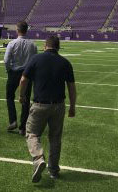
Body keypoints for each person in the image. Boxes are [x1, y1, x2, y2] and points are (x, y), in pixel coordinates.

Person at [19, 35, 76, 183]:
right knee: (55, 138)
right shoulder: (65, 63)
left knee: (31, 133)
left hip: (39, 104)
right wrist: (73, 107)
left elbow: (24, 79)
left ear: (45, 45)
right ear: (58, 47)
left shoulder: (36, 59)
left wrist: (21, 95)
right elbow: (71, 87)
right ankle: (54, 170)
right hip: (58, 105)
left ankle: (38, 158)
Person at [4, 21, 37, 136]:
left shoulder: (12, 43)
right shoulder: (32, 44)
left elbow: (6, 60)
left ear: (17, 30)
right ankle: (23, 127)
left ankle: (13, 120)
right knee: (26, 100)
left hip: (14, 72)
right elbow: (35, 61)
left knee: (9, 96)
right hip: (27, 74)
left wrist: (8, 70)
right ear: (26, 30)